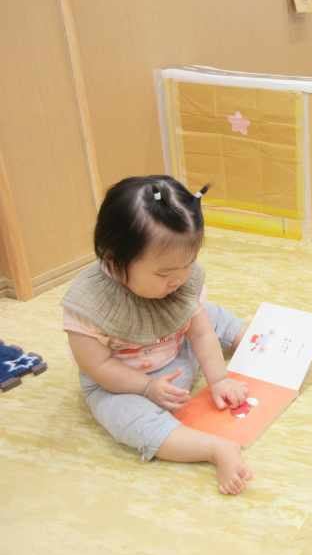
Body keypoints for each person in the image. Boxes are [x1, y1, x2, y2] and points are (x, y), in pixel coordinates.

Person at [63, 175, 253, 495]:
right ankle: (215, 448)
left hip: (177, 349)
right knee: (126, 419)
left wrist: (219, 380)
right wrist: (147, 387)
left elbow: (201, 335)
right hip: (122, 383)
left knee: (207, 315)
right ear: (114, 260)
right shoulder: (89, 307)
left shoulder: (180, 284)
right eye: (164, 273)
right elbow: (99, 367)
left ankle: (262, 338)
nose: (178, 280)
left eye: (188, 265)